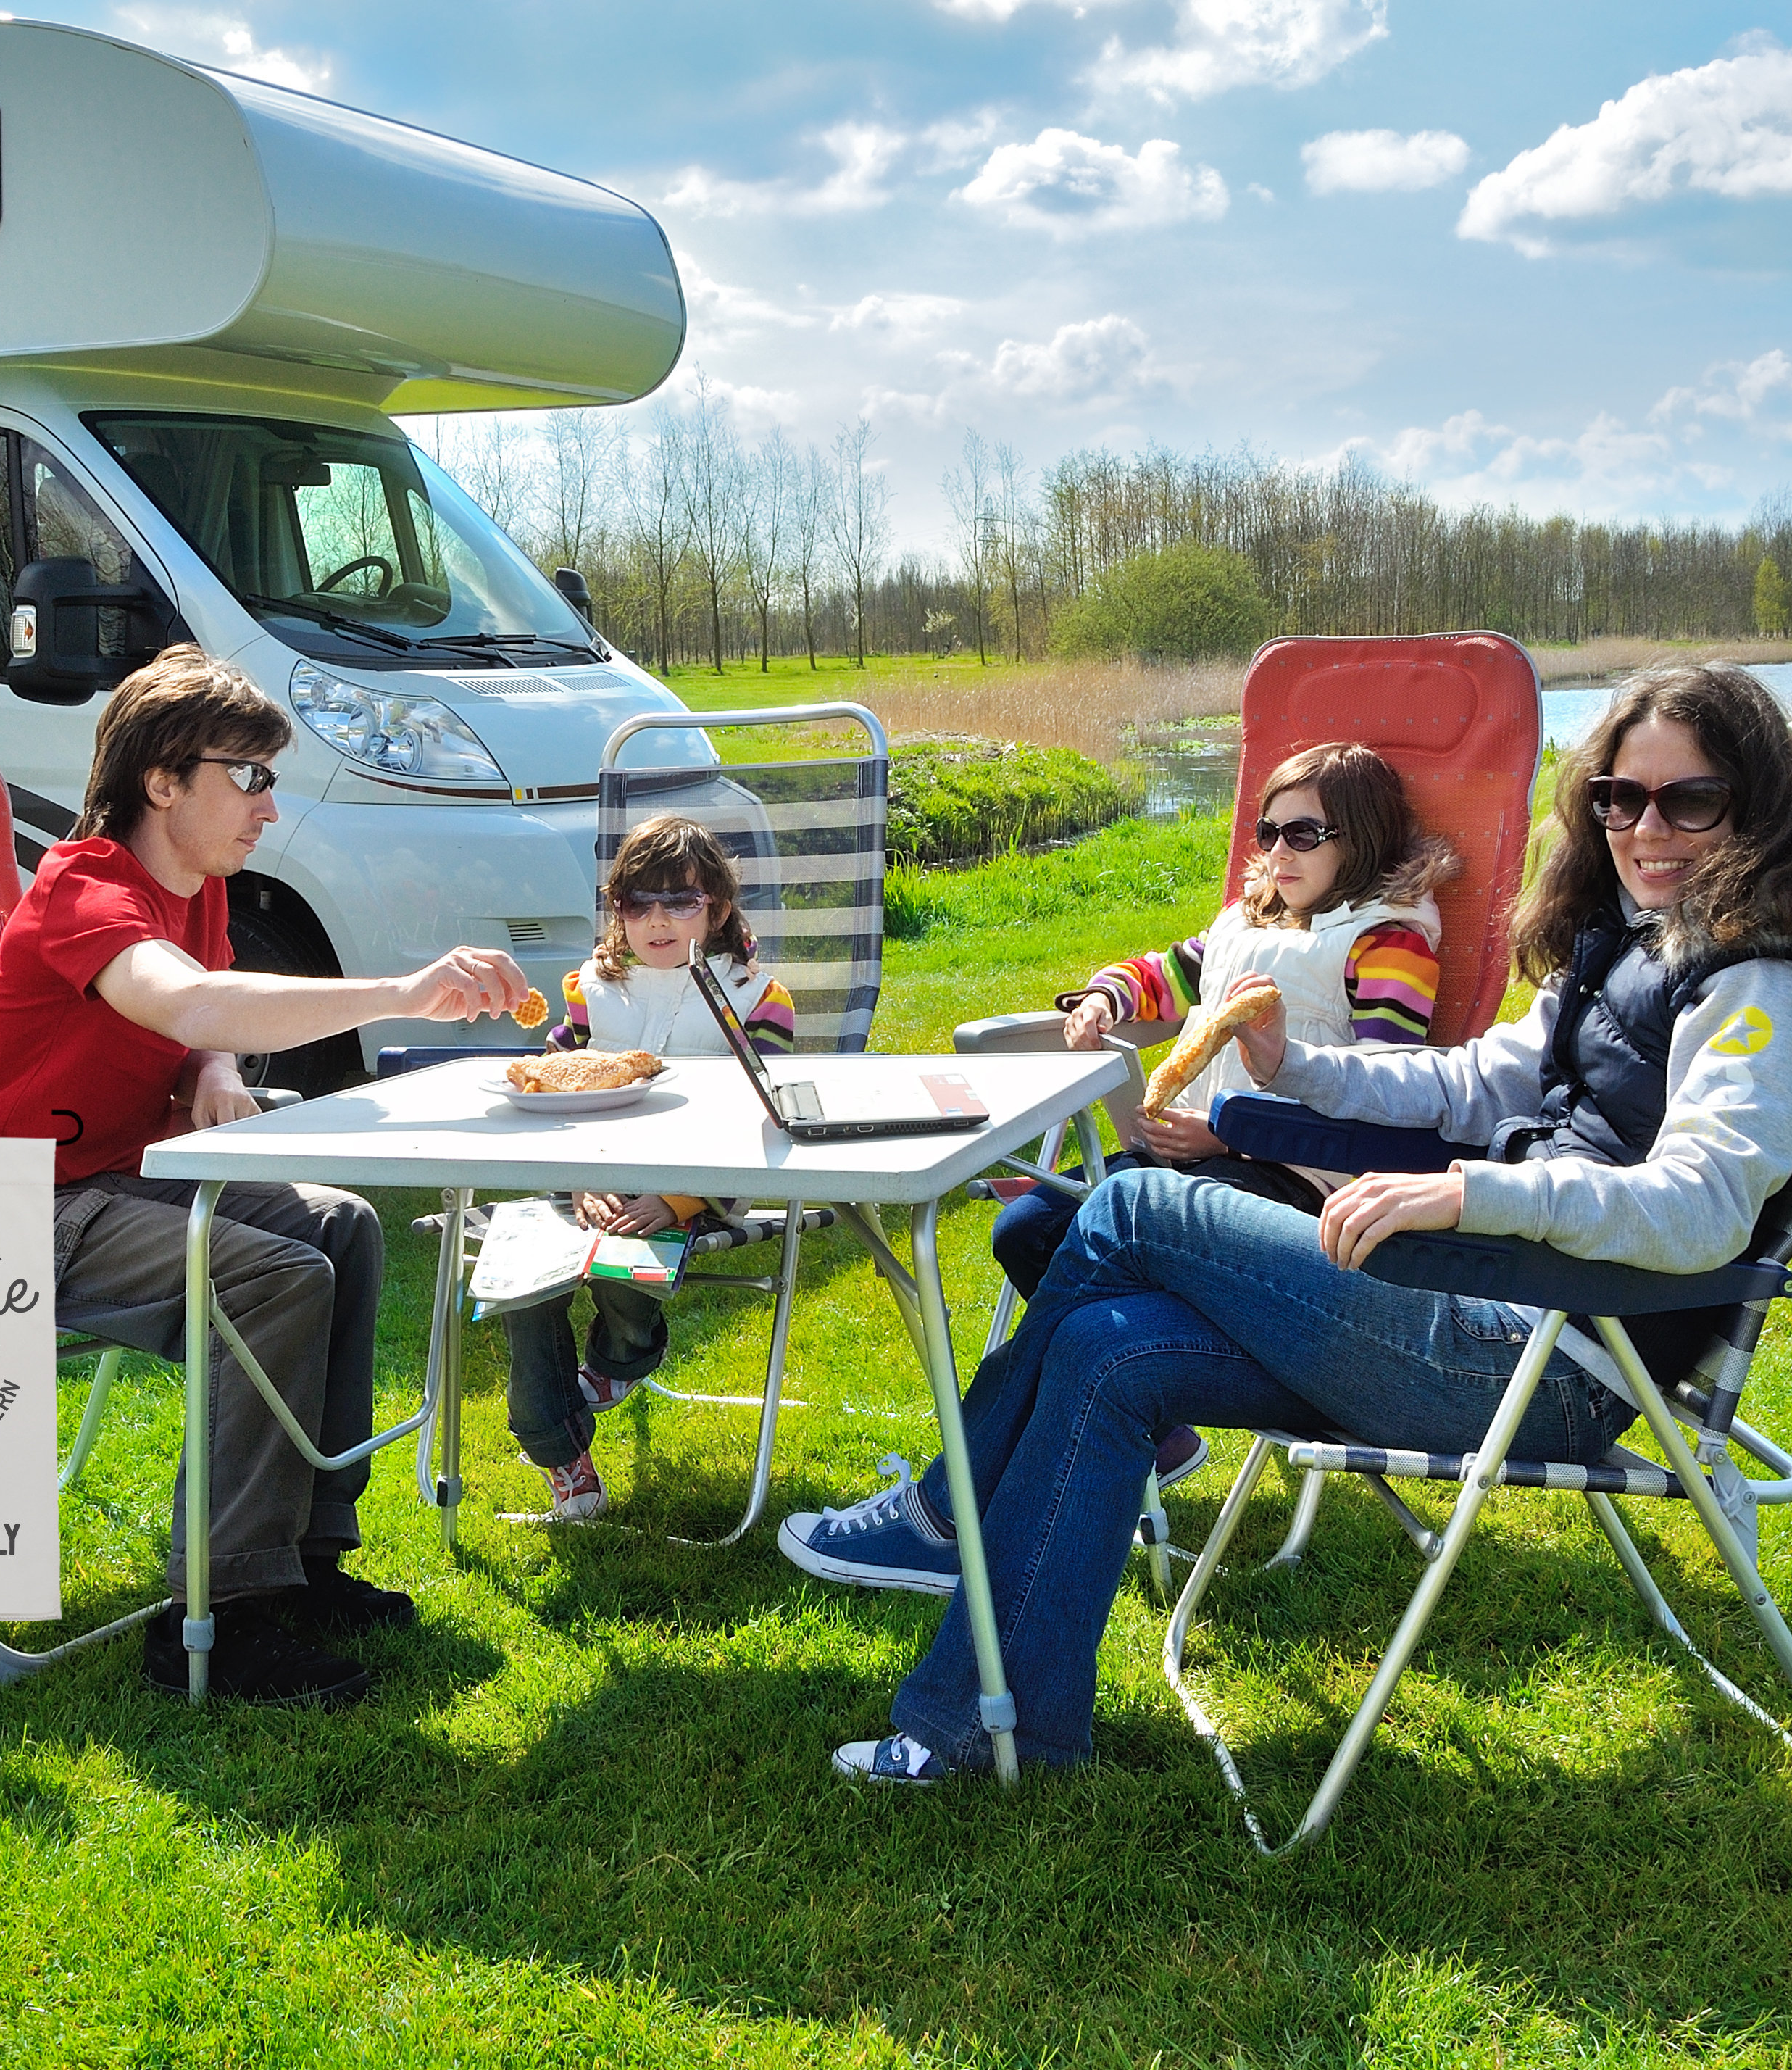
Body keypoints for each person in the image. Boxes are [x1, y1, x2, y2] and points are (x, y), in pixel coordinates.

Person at [814, 662, 1792, 1780]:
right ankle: (995, 1735)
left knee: (1131, 1205)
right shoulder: (1619, 939)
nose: (1645, 828)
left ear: (1756, 806)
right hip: (1474, 1305)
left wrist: (1474, 1191)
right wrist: (1300, 1070)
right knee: (1103, 1349)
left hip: (1552, 1361)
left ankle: (946, 1520)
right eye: (1621, 798)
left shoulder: (1755, 981)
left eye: (1689, 801)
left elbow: (1707, 1207)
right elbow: (1476, 1085)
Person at [0, 645, 533, 1705]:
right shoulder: (86, 886)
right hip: (7, 1204)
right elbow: (187, 999)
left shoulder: (196, 889)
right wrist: (401, 993)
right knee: (269, 1276)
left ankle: (306, 1561)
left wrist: (209, 1067)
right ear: (163, 782)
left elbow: (192, 1008)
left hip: (116, 1175)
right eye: (248, 775)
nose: (268, 801)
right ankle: (217, 1614)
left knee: (342, 1228)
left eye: (270, 776)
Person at [783, 740, 1454, 1590]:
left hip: (1288, 1186)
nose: (1277, 851)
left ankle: (951, 1513)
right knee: (1028, 1227)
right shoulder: (1245, 923)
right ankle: (1159, 1443)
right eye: (1267, 829)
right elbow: (1161, 976)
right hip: (1184, 1168)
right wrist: (1105, 997)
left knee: (1088, 1278)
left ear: (1356, 840)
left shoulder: (1386, 941)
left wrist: (1230, 1135)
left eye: (1304, 834)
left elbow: (1384, 1095)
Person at [504, 815, 795, 1518]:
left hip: (700, 1181)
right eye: (638, 904)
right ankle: (559, 1446)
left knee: (625, 1258)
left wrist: (680, 1199)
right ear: (619, 913)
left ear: (718, 909)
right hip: (587, 1174)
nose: (656, 920)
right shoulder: (588, 991)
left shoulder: (758, 998)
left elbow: (767, 1122)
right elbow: (549, 1087)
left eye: (680, 902)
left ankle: (618, 1359)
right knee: (520, 1273)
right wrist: (580, 1175)